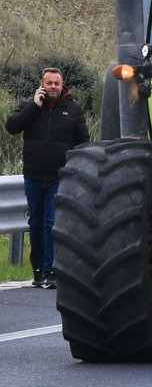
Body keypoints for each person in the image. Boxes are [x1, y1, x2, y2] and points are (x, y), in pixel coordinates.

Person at [4, 67, 89, 290]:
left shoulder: (73, 109)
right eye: (49, 83)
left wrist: (79, 170)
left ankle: (52, 270)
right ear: (42, 84)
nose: (53, 87)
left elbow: (84, 142)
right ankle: (38, 270)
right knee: (35, 223)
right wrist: (34, 106)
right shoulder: (29, 104)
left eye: (56, 83)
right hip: (33, 175)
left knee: (52, 223)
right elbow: (12, 127)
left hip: (59, 176)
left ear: (62, 85)